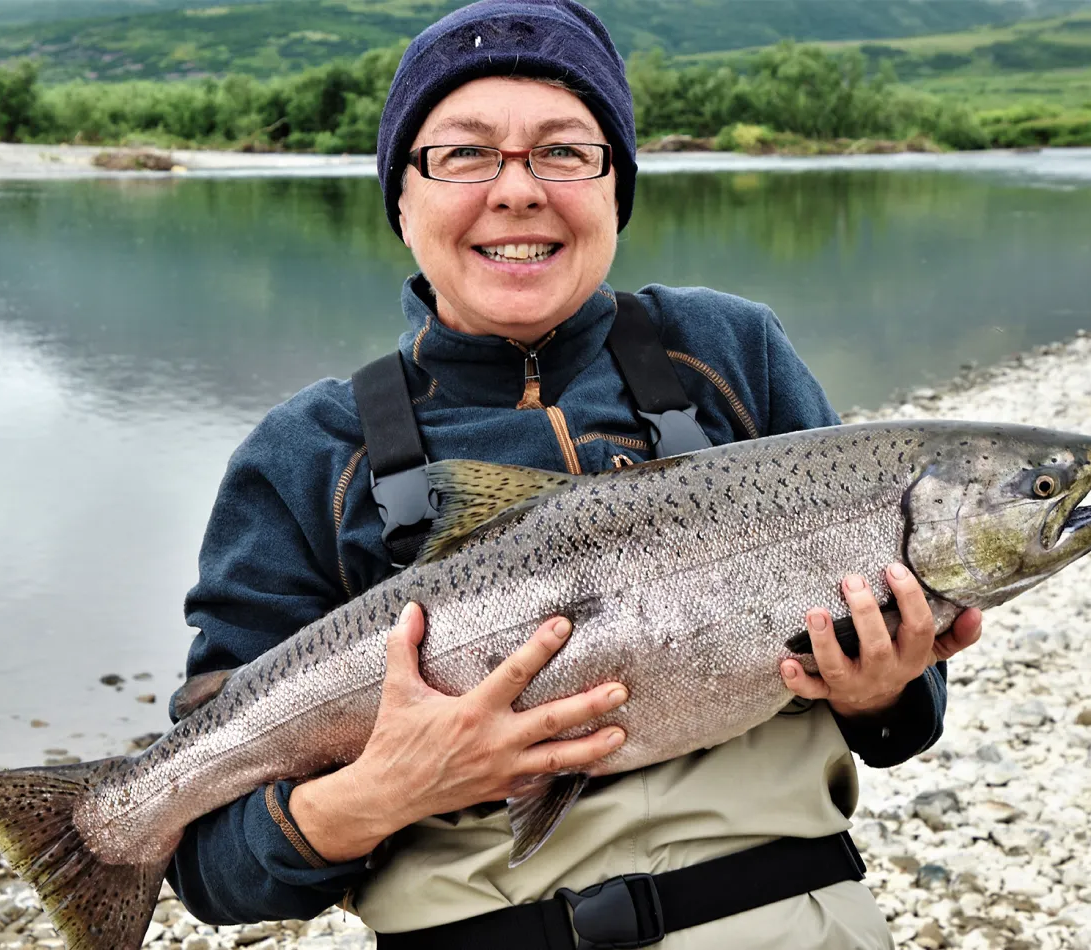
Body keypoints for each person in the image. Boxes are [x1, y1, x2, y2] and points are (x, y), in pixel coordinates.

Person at [166, 1, 983, 945]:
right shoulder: (307, 453)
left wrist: (881, 689)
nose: (517, 191)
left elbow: (903, 725)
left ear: (614, 191)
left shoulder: (729, 350)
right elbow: (212, 872)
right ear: (400, 199)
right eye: (464, 154)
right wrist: (376, 793)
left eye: (563, 151)